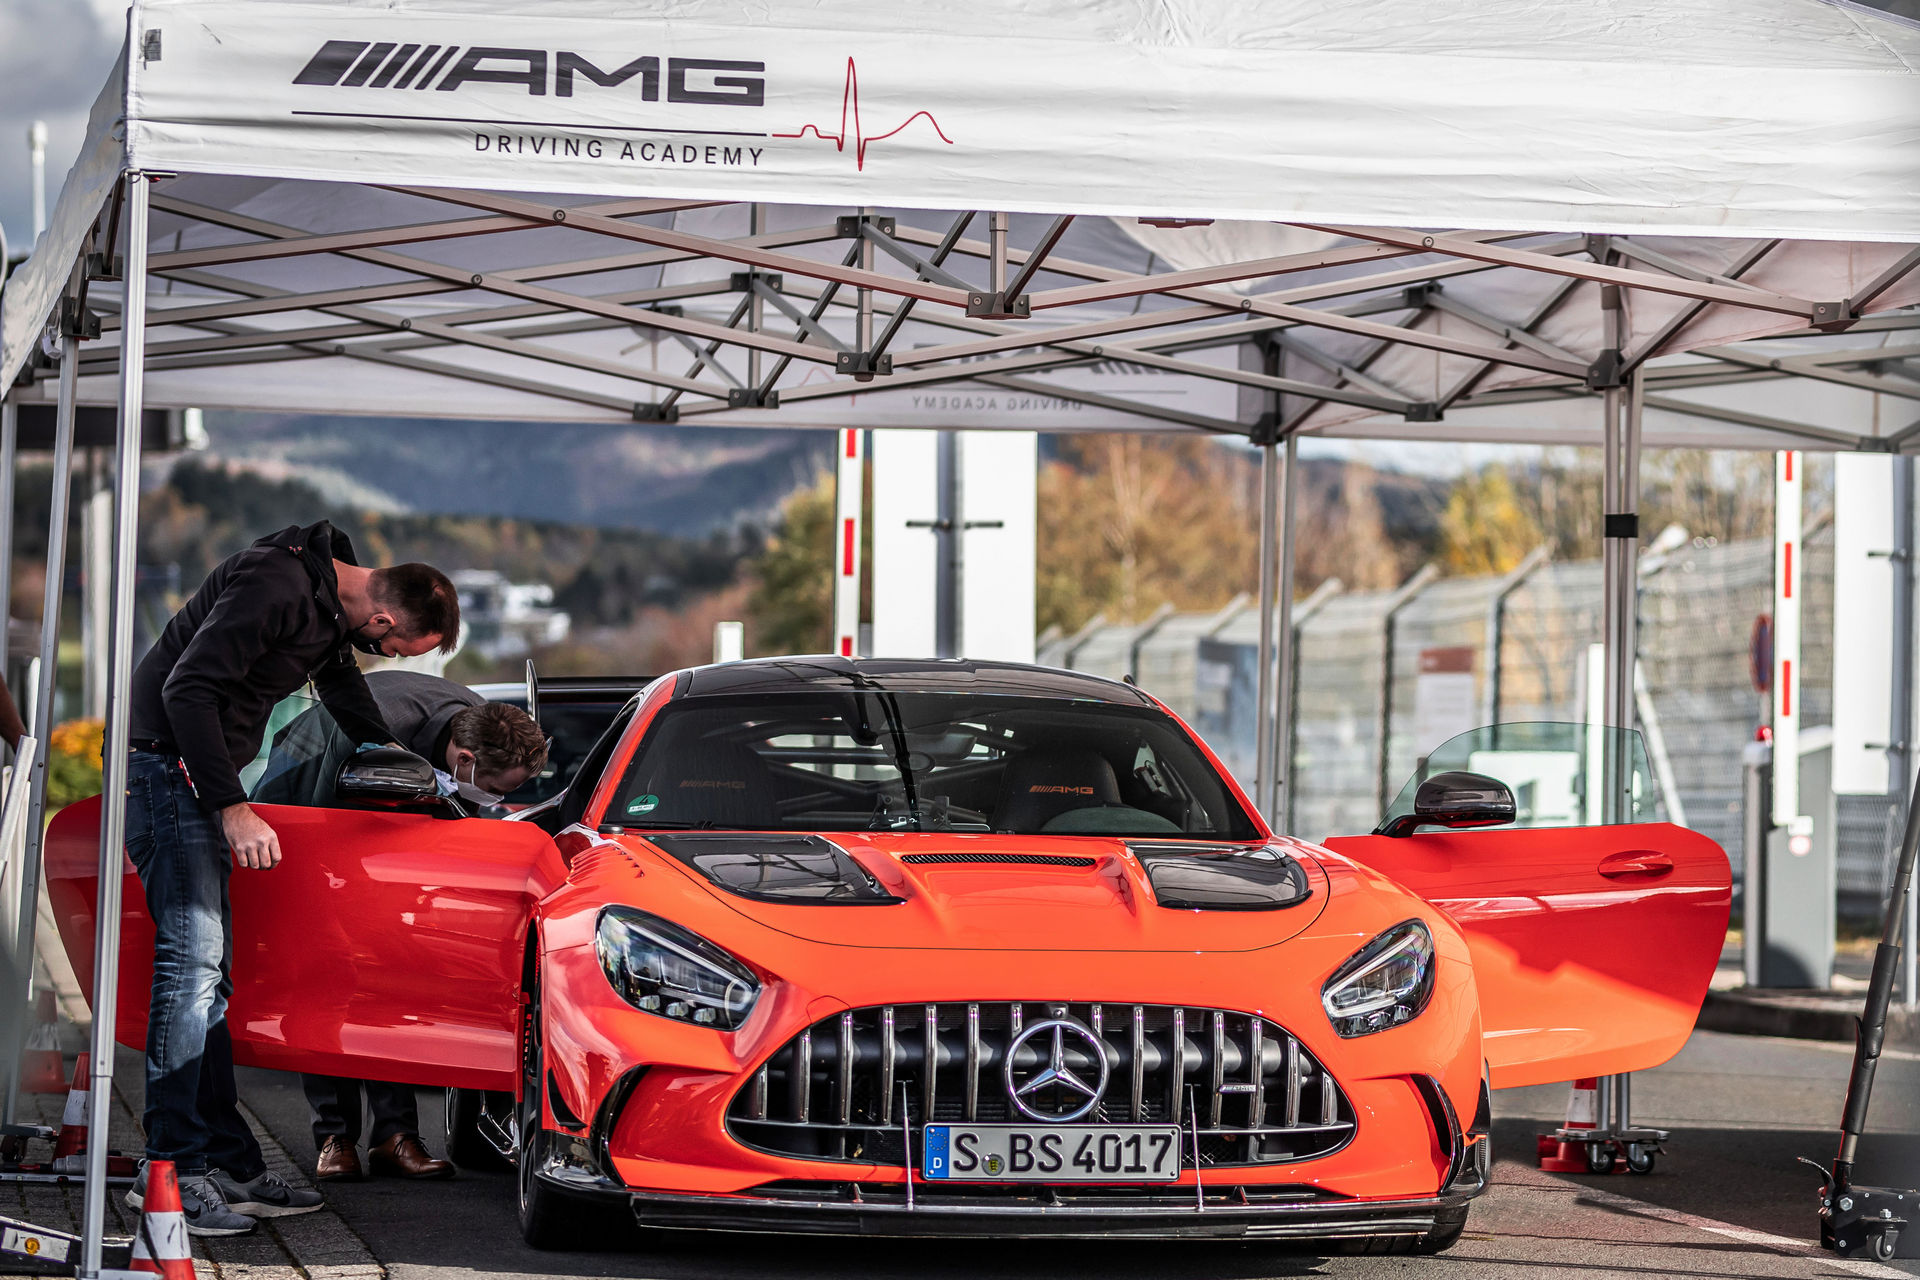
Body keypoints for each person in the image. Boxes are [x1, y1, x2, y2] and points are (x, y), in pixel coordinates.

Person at [124, 521, 458, 1236]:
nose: (392, 657)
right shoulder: (275, 584)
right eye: (398, 648)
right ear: (382, 619)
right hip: (165, 773)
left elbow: (339, 685)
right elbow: (187, 689)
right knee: (189, 972)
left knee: (209, 979)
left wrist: (397, 758)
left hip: (189, 782)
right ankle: (170, 1172)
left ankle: (227, 1162)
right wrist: (232, 806)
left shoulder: (324, 603)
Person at [291, 671, 548, 1183]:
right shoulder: (368, 732)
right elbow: (315, 822)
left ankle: (394, 1136)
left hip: (392, 844)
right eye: (497, 791)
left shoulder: (484, 723)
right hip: (313, 809)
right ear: (465, 760)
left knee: (393, 988)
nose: (497, 801)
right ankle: (335, 1138)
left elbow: (461, 818)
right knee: (330, 986)